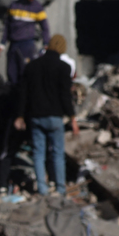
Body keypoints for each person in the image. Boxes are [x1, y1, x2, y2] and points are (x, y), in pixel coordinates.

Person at [14, 34, 79, 196]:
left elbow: (23, 94)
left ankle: (42, 189)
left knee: (38, 154)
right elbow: (65, 95)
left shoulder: (32, 66)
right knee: (58, 154)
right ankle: (60, 188)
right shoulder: (64, 67)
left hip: (36, 116)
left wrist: (20, 115)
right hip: (55, 117)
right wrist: (72, 117)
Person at [0, 0, 51, 85]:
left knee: (26, 73)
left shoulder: (37, 8)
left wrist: (46, 43)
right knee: (11, 73)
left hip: (27, 45)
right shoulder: (14, 6)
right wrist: (2, 44)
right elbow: (7, 27)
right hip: (13, 45)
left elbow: (45, 28)